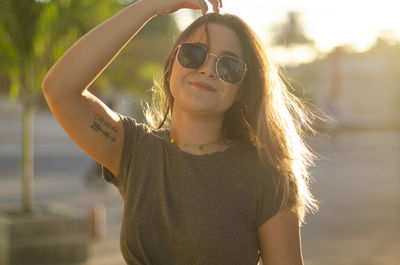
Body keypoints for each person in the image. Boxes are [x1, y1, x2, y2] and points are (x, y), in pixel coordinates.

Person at [42, 0, 319, 264]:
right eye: (193, 54)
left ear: (241, 92)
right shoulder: (136, 152)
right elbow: (59, 89)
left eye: (229, 66)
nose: (208, 69)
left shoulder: (267, 174)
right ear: (172, 65)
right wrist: (150, 6)